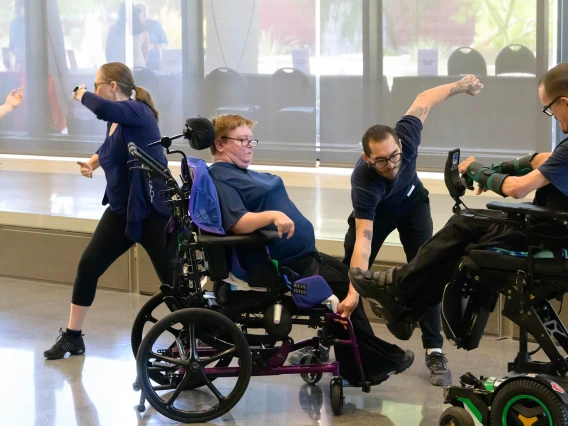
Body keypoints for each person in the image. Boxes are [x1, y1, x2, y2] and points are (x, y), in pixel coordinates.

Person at [348, 62, 568, 340]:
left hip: (547, 236)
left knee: (462, 226)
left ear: (564, 102)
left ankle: (398, 294)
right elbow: (544, 160)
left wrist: (478, 171)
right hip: (551, 229)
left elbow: (517, 189)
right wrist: (500, 167)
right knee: (464, 229)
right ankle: (404, 305)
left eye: (550, 108)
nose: (551, 115)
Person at [207, 113, 415, 386]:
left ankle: (361, 363)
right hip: (283, 266)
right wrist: (272, 215)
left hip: (299, 256)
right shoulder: (222, 178)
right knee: (348, 288)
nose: (250, 145)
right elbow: (236, 222)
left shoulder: (236, 173)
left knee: (351, 282)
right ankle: (371, 362)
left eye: (251, 140)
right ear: (220, 144)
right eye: (242, 140)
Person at [340, 74, 484, 386]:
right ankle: (343, 345)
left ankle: (434, 350)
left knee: (427, 270)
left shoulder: (407, 133)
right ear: (368, 158)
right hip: (376, 215)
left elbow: (424, 98)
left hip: (412, 204)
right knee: (348, 278)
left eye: (394, 155)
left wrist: (461, 86)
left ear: (400, 143)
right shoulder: (364, 181)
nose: (391, 164)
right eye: (381, 161)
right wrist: (354, 292)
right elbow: (363, 240)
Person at [43, 62, 175, 360]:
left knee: (172, 281)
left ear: (112, 86)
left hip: (153, 212)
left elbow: (104, 109)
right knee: (88, 266)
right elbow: (109, 147)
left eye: (97, 84)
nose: (95, 89)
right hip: (122, 211)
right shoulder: (118, 120)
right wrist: (92, 162)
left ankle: (201, 333)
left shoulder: (136, 110)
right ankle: (73, 337)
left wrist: (80, 94)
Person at [137, 3, 169, 71]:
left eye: (138, 15)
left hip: (154, 64)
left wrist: (154, 46)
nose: (136, 18)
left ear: (145, 15)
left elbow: (166, 44)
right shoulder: (133, 26)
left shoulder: (155, 25)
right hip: (138, 64)